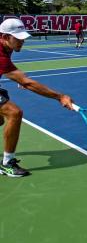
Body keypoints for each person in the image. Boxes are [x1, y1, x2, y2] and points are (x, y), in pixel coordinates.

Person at [0, 18, 74, 177]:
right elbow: (26, 82)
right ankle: (6, 164)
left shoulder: (6, 46)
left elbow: (12, 71)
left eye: (23, 38)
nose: (22, 42)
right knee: (14, 113)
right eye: (18, 38)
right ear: (5, 37)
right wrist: (60, 97)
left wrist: (18, 77)